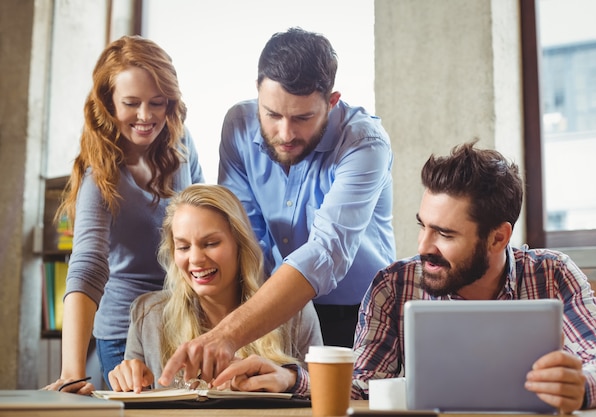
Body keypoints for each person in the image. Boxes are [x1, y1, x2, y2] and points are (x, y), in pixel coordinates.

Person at [211, 141, 596, 413]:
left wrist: (584, 386)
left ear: (499, 237)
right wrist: (289, 378)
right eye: (422, 225)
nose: (424, 245)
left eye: (445, 234)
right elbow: (366, 385)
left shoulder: (552, 274)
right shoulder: (394, 285)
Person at [157, 27, 395, 387]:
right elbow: (244, 234)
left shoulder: (365, 142)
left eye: (302, 118)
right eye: (272, 114)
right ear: (257, 91)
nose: (285, 133)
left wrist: (229, 333)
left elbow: (326, 252)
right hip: (272, 312)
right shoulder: (237, 125)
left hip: (358, 316)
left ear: (331, 102)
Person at [43, 35, 204, 393]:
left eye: (157, 103)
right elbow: (87, 265)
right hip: (125, 332)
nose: (146, 116)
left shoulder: (180, 142)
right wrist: (72, 372)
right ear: (108, 103)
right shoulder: (97, 175)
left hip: (184, 319)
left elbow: (204, 217)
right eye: (131, 103)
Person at [107, 184, 322, 393]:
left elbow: (325, 391)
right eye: (183, 247)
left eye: (210, 244)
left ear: (240, 245)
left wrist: (289, 380)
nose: (196, 259)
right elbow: (135, 399)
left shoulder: (295, 311)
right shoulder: (148, 315)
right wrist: (128, 380)